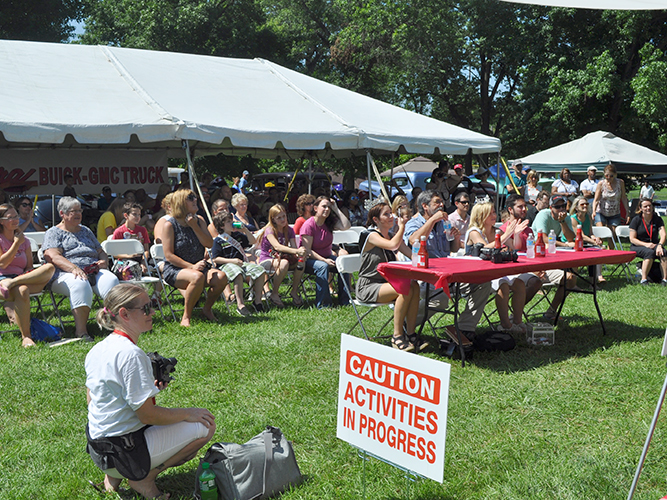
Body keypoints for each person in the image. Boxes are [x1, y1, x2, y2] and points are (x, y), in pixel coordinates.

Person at [85, 284, 215, 499]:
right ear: (125, 314)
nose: (152, 312)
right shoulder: (131, 354)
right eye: (146, 308)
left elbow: (94, 400)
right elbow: (148, 415)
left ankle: (112, 479)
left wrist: (148, 390)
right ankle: (144, 479)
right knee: (206, 424)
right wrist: (188, 412)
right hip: (125, 451)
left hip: (100, 449)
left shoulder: (98, 348)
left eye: (152, 305)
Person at [404, 190, 491, 338]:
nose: (441, 205)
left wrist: (456, 238)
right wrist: (432, 221)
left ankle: (464, 328)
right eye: (437, 202)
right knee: (441, 299)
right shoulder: (414, 223)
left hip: (447, 273)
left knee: (482, 283)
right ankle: (405, 323)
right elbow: (413, 241)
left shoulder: (443, 223)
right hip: (425, 276)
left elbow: (453, 249)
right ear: (425, 206)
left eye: (441, 202)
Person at [43, 197, 119, 340]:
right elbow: (53, 256)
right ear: (62, 214)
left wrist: (103, 260)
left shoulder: (86, 230)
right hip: (64, 273)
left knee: (111, 280)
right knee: (80, 283)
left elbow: (100, 250)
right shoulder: (54, 233)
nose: (78, 214)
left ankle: (114, 324)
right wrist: (73, 268)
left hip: (92, 269)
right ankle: (81, 332)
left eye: (80, 210)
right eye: (74, 211)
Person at [357, 202, 422, 351]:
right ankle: (397, 336)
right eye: (386, 214)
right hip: (368, 286)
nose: (391, 216)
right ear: (376, 220)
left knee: (414, 286)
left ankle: (411, 334)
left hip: (387, 284)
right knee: (404, 289)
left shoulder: (392, 236)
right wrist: (402, 228)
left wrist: (424, 258)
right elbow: (393, 245)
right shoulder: (370, 235)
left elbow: (412, 255)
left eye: (390, 213)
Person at [161, 190, 227, 327]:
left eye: (195, 197)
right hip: (176, 269)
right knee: (197, 277)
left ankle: (206, 309)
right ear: (181, 203)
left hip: (200, 267)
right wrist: (191, 267)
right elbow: (169, 255)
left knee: (221, 277)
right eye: (190, 198)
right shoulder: (169, 225)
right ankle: (186, 317)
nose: (195, 200)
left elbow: (209, 243)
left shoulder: (200, 220)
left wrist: (194, 226)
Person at [465, 201, 527, 334]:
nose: (494, 215)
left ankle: (517, 321)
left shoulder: (496, 231)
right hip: (478, 274)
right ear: (481, 216)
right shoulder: (474, 232)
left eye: (494, 212)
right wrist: (505, 235)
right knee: (503, 286)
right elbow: (484, 248)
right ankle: (505, 324)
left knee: (520, 284)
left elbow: (516, 247)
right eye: (490, 213)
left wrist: (515, 234)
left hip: (496, 271)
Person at [0, 204, 55, 347]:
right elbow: (2, 264)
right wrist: (16, 244)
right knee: (22, 290)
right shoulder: (7, 240)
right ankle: (26, 337)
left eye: (16, 216)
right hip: (2, 279)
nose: (15, 220)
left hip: (18, 279)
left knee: (49, 267)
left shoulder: (25, 241)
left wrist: (25, 276)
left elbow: (29, 266)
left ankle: (13, 283)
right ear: (1, 221)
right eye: (10, 217)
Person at [531, 195, 578, 322]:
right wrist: (565, 245)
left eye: (563, 206)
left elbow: (570, 238)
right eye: (557, 207)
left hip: (550, 252)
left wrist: (562, 222)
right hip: (535, 253)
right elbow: (543, 238)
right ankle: (516, 315)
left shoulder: (566, 217)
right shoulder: (543, 215)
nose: (561, 209)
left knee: (572, 279)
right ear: (551, 208)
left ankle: (551, 311)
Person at [300, 196, 351, 309]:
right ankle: (324, 304)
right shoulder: (309, 225)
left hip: (327, 257)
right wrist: (324, 260)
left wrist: (336, 208)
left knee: (344, 264)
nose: (327, 209)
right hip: (309, 260)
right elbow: (307, 250)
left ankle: (345, 300)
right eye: (324, 206)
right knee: (322, 266)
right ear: (315, 208)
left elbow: (346, 225)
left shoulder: (328, 223)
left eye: (328, 207)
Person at [211, 212, 267, 315]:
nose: (232, 223)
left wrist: (245, 229)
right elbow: (215, 259)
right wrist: (232, 261)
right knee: (238, 273)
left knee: (260, 271)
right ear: (222, 226)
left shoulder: (237, 235)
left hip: (241, 264)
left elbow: (253, 241)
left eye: (231, 220)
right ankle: (240, 305)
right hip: (226, 265)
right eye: (228, 221)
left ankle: (258, 301)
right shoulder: (218, 240)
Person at [258, 204, 307, 307]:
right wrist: (296, 251)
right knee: (284, 264)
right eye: (279, 217)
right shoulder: (270, 230)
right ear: (273, 219)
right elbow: (277, 247)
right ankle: (275, 293)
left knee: (301, 262)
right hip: (267, 259)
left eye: (284, 216)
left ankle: (294, 291)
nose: (282, 219)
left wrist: (300, 253)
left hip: (282, 258)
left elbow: (294, 247)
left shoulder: (289, 230)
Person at [499, 194, 543, 302]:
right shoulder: (504, 231)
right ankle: (515, 313)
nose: (524, 209)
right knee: (535, 281)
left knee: (568, 278)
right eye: (520, 207)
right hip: (516, 270)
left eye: (525, 206)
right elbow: (509, 255)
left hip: (534, 267)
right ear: (510, 209)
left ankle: (551, 312)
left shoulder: (528, 230)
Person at [629, 198, 667, 285]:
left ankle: (664, 279)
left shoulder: (657, 219)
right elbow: (632, 239)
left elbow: (663, 235)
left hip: (654, 245)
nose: (648, 208)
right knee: (649, 253)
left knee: (664, 252)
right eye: (645, 206)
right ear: (640, 208)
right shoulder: (636, 220)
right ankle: (644, 279)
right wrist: (646, 245)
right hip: (638, 246)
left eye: (650, 206)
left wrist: (660, 245)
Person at [568, 195, 604, 283]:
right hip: (572, 242)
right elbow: (581, 236)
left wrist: (596, 239)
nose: (585, 206)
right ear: (576, 207)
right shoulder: (573, 219)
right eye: (582, 204)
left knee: (598, 251)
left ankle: (595, 280)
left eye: (586, 204)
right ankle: (574, 282)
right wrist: (594, 242)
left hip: (585, 243)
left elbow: (590, 233)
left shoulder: (588, 217)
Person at [112, 202, 152, 270]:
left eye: (139, 215)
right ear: (126, 215)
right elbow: (114, 253)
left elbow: (146, 250)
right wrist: (128, 256)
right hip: (122, 262)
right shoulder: (119, 231)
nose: (137, 217)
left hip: (139, 260)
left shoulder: (142, 230)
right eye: (134, 214)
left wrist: (143, 262)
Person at [593, 163, 630, 234]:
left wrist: (627, 212)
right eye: (606, 175)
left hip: (615, 213)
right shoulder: (601, 184)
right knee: (601, 234)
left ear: (615, 175)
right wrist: (594, 211)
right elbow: (596, 199)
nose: (608, 177)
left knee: (612, 235)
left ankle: (610, 245)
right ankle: (599, 245)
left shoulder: (620, 183)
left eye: (611, 176)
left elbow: (624, 198)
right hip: (601, 212)